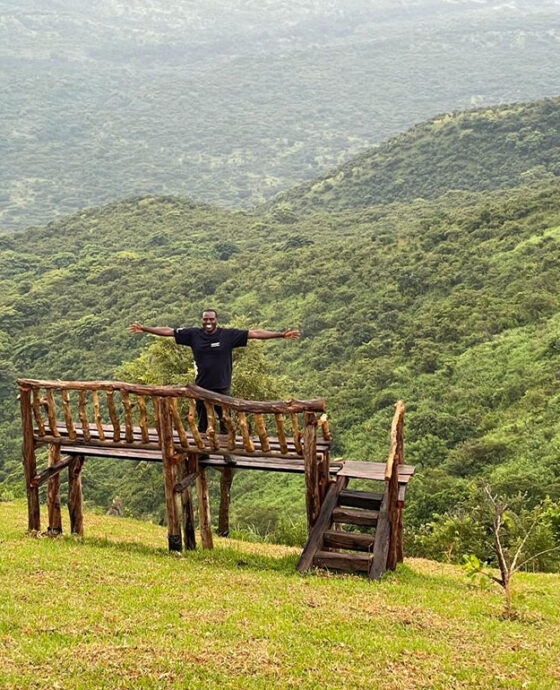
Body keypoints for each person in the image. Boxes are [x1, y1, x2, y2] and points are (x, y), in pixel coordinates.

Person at [128, 309, 300, 434]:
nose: (208, 322)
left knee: (225, 420)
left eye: (211, 319)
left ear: (216, 320)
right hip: (201, 387)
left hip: (223, 387)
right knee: (202, 422)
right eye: (205, 319)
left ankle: (227, 452)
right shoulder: (193, 334)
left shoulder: (228, 335)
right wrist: (145, 329)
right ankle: (203, 451)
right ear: (202, 320)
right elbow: (169, 331)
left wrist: (281, 335)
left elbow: (255, 333)